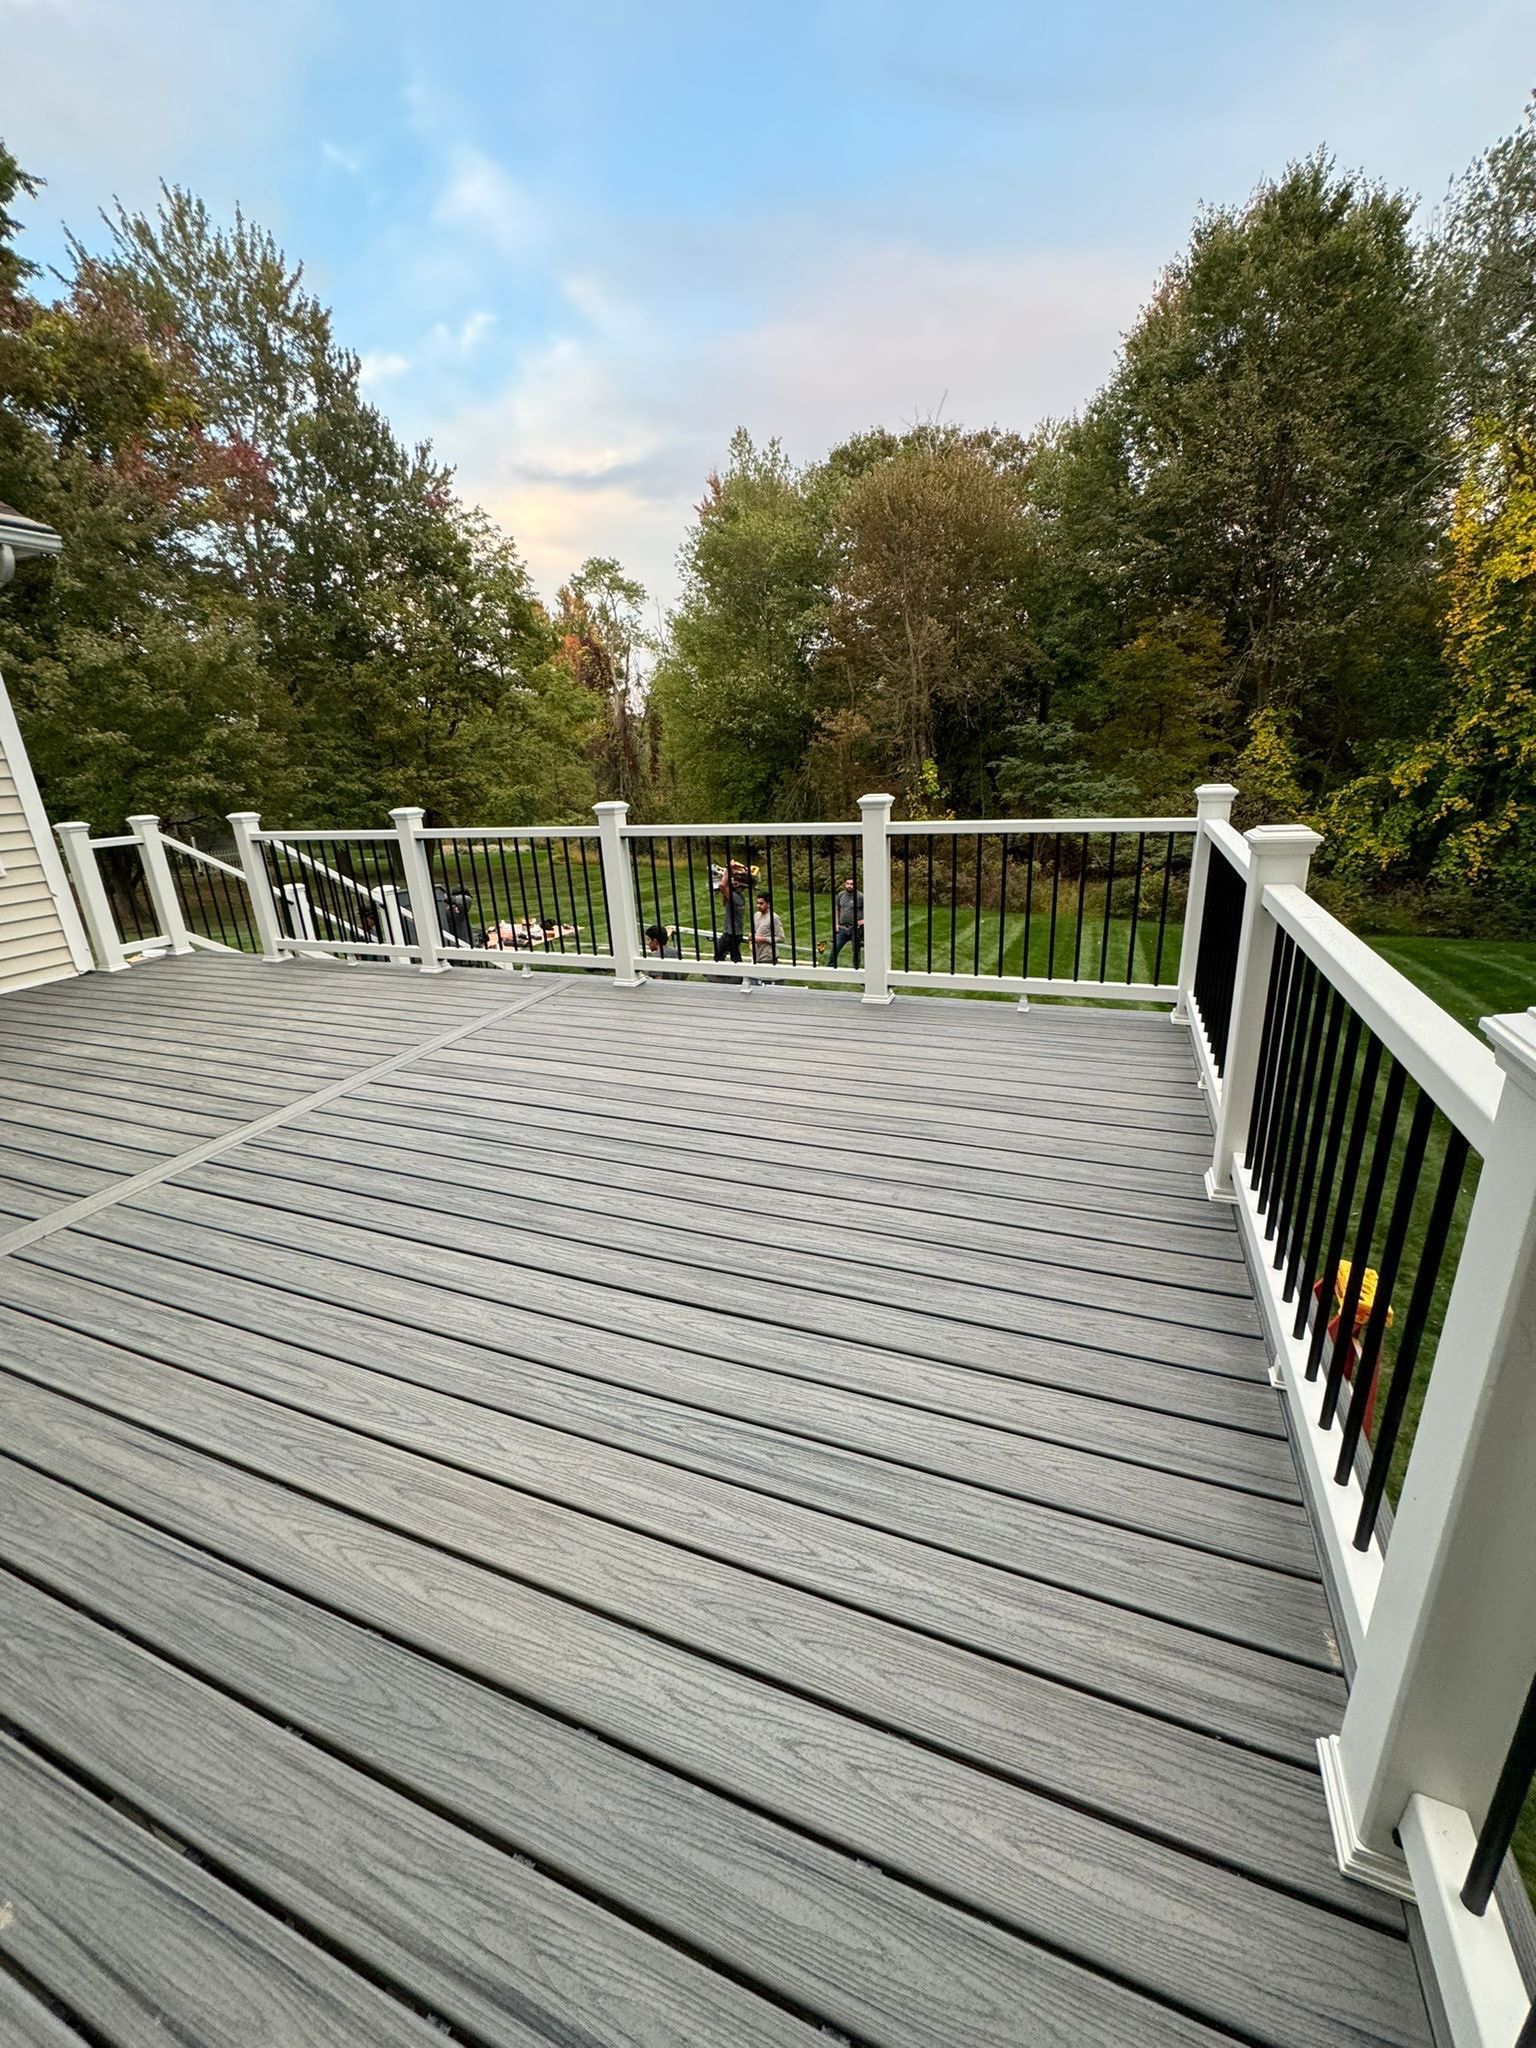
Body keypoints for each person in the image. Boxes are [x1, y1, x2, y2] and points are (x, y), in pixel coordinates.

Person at [711, 861, 746, 963]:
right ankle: (741, 971)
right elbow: (724, 903)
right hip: (736, 934)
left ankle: (718, 971)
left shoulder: (736, 898)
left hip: (731, 935)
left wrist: (728, 869)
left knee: (718, 955)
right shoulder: (738, 897)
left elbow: (722, 886)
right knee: (735, 958)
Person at [830, 873, 863, 966]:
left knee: (856, 951)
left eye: (852, 884)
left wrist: (864, 920)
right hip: (843, 928)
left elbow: (869, 909)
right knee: (835, 948)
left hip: (855, 929)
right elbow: (837, 909)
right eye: (847, 883)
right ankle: (830, 967)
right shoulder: (841, 895)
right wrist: (836, 924)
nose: (849, 886)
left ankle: (856, 968)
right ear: (845, 884)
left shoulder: (860, 897)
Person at [752, 893, 785, 982]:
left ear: (768, 904)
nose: (758, 906)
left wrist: (764, 939)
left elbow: (781, 938)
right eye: (757, 903)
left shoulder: (774, 918)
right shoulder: (756, 915)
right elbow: (756, 931)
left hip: (768, 956)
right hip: (756, 955)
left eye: (761, 903)